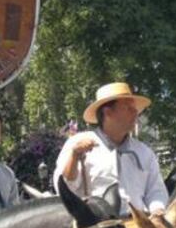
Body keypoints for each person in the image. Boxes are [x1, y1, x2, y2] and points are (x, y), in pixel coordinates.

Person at [54, 82, 167, 214]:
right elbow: (65, 189)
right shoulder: (78, 144)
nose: (136, 112)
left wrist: (158, 211)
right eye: (128, 108)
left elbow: (156, 190)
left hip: (139, 227)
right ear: (108, 113)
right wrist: (74, 156)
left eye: (134, 108)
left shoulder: (144, 152)